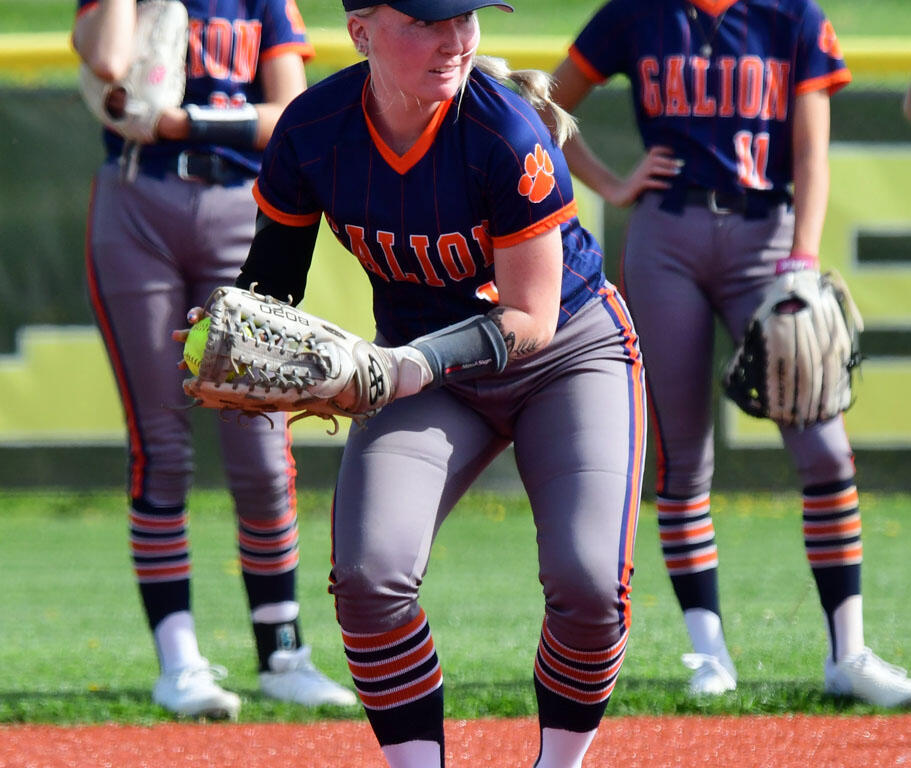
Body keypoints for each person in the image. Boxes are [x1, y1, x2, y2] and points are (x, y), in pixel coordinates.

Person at [206, 0, 647, 763]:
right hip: (425, 376)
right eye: (423, 22)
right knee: (370, 579)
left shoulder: (503, 133)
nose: (453, 40)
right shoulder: (313, 130)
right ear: (360, 32)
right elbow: (270, 284)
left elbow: (530, 318)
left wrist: (406, 364)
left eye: (465, 18)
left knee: (588, 585)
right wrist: (226, 335)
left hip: (564, 358)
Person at [544, 0, 911, 707]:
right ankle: (707, 651)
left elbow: (809, 149)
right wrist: (613, 184)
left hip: (765, 236)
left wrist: (802, 256)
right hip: (665, 238)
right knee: (682, 458)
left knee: (825, 452)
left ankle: (849, 652)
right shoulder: (635, 13)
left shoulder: (792, 15)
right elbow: (544, 105)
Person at [72, 0, 357, 718]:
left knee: (262, 448)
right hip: (139, 204)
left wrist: (183, 123)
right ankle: (179, 663)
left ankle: (282, 653)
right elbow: (108, 62)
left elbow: (285, 110)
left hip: (238, 204)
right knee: (161, 445)